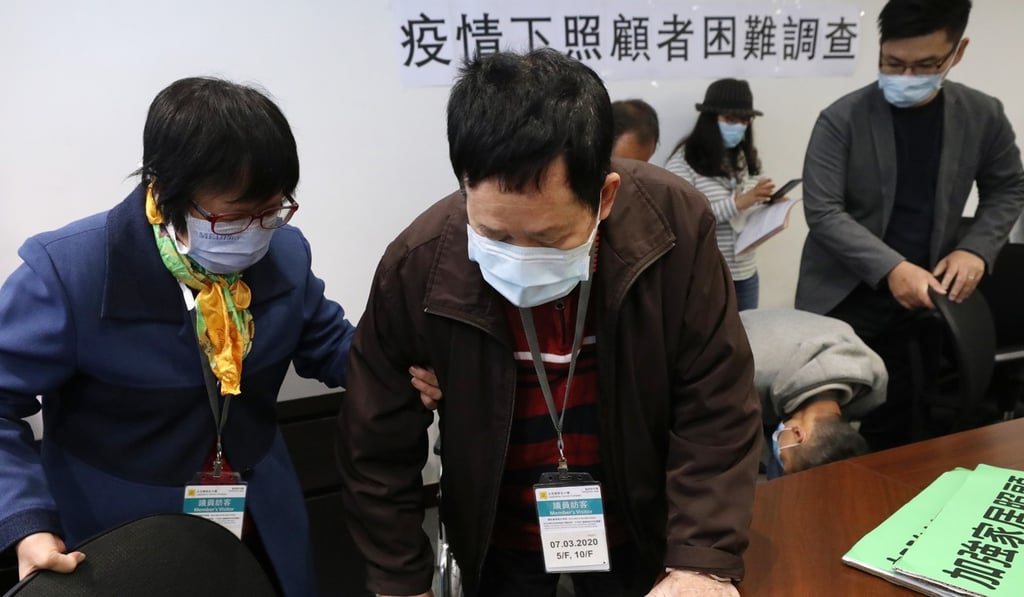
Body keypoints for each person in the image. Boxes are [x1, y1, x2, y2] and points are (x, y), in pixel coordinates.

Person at [336, 49, 761, 597]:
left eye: (547, 238)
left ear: (604, 196)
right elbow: (375, 439)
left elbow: (717, 401)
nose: (519, 256)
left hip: (640, 525)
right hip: (499, 531)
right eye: (495, 235)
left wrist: (702, 560)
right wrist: (402, 581)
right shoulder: (421, 262)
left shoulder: (673, 230)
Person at [0, 77, 438, 597]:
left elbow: (333, 346)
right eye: (231, 220)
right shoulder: (69, 272)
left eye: (271, 211)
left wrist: (403, 371)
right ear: (164, 191)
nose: (255, 232)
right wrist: (26, 521)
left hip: (259, 507)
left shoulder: (285, 254)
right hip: (119, 525)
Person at [796, 0, 1024, 450]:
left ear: (957, 52)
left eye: (923, 66)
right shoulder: (842, 119)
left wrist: (975, 248)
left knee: (902, 415)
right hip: (845, 297)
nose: (904, 78)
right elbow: (822, 210)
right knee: (825, 425)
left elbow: (1008, 189)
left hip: (923, 297)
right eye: (892, 63)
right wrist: (891, 268)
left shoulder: (982, 116)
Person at [664, 79, 777, 311]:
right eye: (730, 120)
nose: (739, 127)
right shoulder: (683, 162)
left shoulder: (746, 157)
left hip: (746, 272)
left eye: (745, 121)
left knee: (749, 338)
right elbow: (684, 220)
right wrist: (737, 203)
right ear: (709, 119)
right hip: (707, 276)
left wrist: (770, 203)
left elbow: (753, 203)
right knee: (710, 344)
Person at [739, 309, 886, 479]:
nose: (779, 457)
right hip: (753, 338)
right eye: (782, 458)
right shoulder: (746, 371)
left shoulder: (873, 386)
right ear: (797, 433)